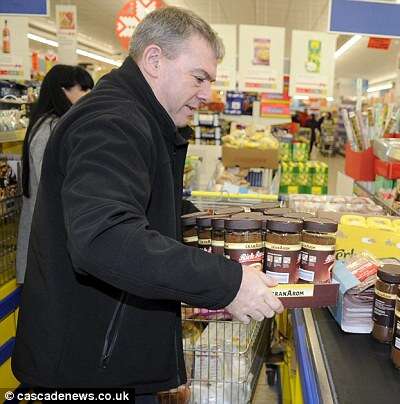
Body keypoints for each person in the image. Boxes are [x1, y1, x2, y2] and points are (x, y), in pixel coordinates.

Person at [12, 6, 283, 399]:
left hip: (102, 361)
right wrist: (228, 283)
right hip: (83, 376)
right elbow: (105, 238)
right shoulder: (112, 122)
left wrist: (213, 224)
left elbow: (139, 209)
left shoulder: (138, 119)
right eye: (199, 77)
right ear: (154, 60)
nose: (208, 94)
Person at [16, 64, 94, 284]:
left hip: (50, 237)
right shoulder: (48, 129)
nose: (89, 96)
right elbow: (49, 183)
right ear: (63, 91)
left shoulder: (52, 125)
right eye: (84, 89)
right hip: (48, 238)